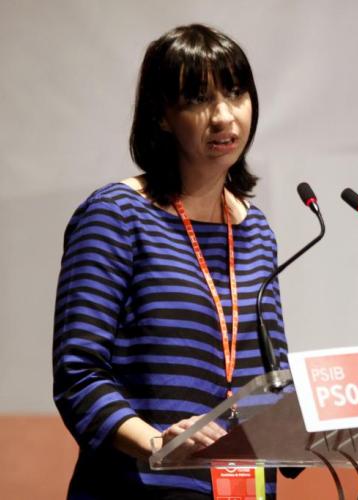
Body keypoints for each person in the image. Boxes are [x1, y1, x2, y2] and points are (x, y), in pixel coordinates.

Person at [53, 24, 288, 499]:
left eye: (236, 93)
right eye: (198, 99)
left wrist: (339, 422)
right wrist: (157, 443)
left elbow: (272, 375)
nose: (223, 116)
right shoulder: (117, 215)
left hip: (242, 488)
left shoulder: (255, 230)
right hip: (138, 487)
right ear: (162, 117)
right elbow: (78, 372)